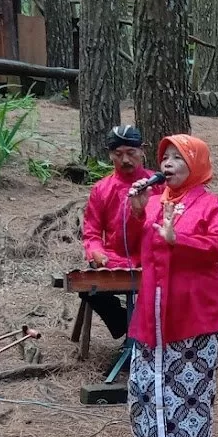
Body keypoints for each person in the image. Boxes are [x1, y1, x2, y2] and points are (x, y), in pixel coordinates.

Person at [123, 135, 218, 437]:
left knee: (190, 393)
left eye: (177, 158)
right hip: (152, 312)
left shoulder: (212, 205)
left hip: (195, 314)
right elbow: (131, 247)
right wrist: (138, 211)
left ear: (196, 164)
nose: (167, 164)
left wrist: (178, 240)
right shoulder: (154, 203)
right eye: (164, 157)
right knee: (145, 390)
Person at [80, 125, 157, 340]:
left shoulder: (156, 184)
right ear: (110, 154)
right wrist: (95, 251)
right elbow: (92, 232)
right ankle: (126, 325)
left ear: (142, 151)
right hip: (113, 258)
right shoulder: (101, 189)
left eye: (131, 153)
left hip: (150, 257)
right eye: (118, 154)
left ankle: (145, 332)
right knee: (87, 286)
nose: (125, 160)